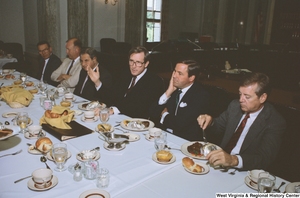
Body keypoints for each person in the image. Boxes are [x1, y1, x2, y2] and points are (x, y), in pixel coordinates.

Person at [197, 72, 286, 171]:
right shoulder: (235, 106)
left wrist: (233, 160)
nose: (240, 100)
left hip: (245, 171)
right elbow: (218, 127)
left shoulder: (274, 122)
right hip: (219, 164)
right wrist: (210, 121)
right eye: (240, 94)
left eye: (247, 97)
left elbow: (264, 159)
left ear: (262, 98)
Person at [150, 60, 210, 141]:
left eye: (180, 73)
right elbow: (153, 112)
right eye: (174, 71)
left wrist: (164, 114)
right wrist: (168, 92)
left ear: (191, 78)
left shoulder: (200, 95)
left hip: (182, 141)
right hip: (164, 136)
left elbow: (180, 124)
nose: (174, 76)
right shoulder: (174, 89)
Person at [108, 46, 164, 118]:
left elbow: (139, 107)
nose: (133, 66)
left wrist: (115, 109)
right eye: (131, 61)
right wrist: (97, 82)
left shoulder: (154, 81)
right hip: (118, 117)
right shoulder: (125, 74)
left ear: (146, 64)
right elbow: (112, 95)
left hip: (138, 122)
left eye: (138, 62)